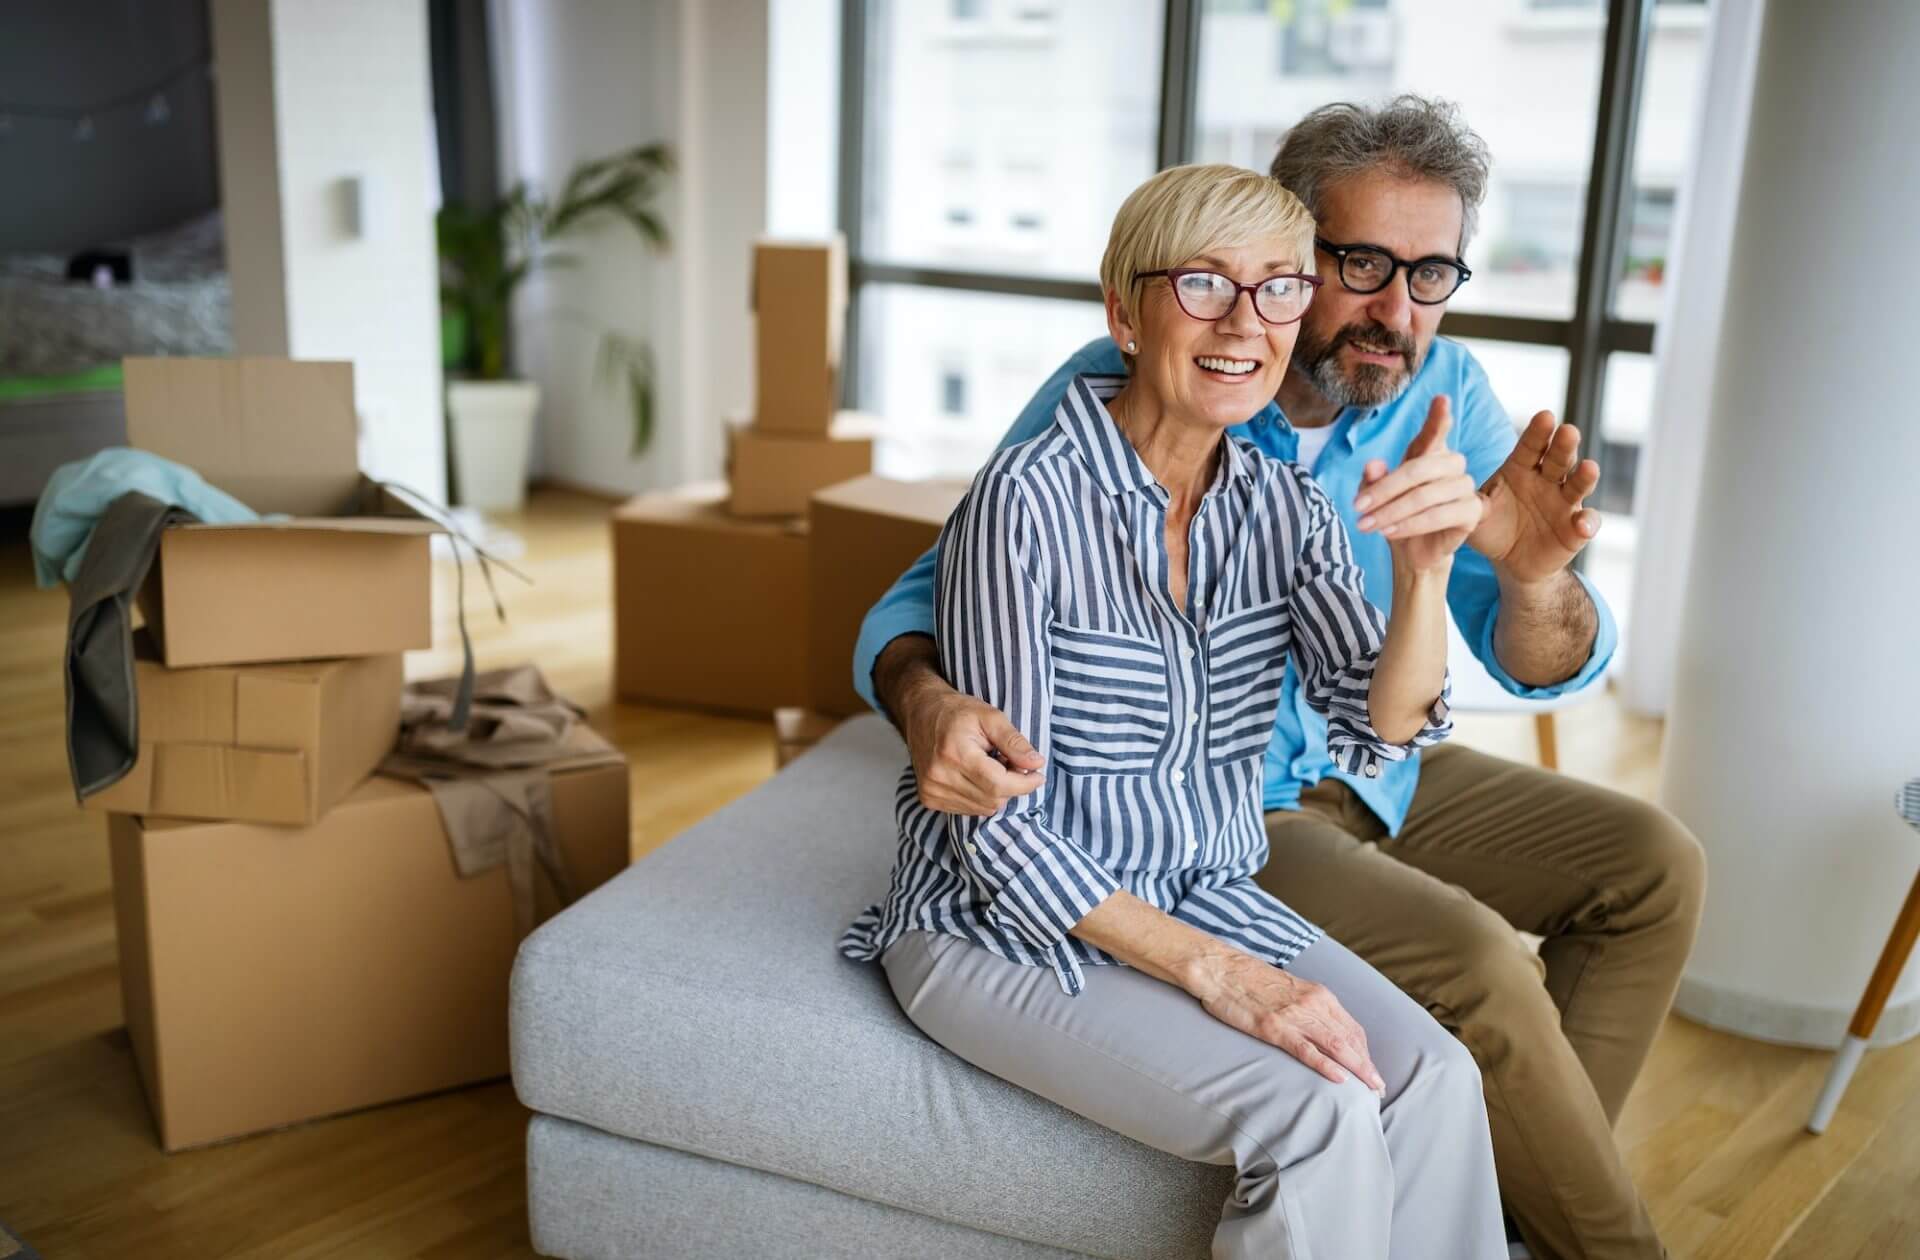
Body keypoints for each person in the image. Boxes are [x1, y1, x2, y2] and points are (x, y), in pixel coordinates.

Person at [853, 97, 1704, 1260]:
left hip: (1313, 802)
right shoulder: (1070, 441)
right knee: (1455, 983)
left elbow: (1401, 711)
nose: (1394, 309)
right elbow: (937, 626)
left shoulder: (1376, 431)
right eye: (1360, 264)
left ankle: (1497, 1212)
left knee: (1639, 881)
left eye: (1431, 272)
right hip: (1200, 829)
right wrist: (926, 699)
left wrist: (1507, 577)